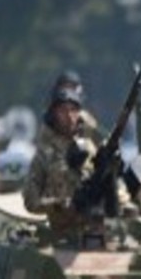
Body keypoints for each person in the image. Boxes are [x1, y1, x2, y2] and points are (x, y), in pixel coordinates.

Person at [21, 87, 98, 221]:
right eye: (63, 110)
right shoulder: (44, 154)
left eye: (73, 110)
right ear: (53, 115)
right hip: (61, 232)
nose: (69, 116)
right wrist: (58, 205)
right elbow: (31, 202)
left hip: (95, 228)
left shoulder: (89, 148)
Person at [52, 69, 104, 144]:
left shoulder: (85, 119)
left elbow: (100, 139)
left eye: (71, 88)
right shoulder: (51, 119)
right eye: (65, 88)